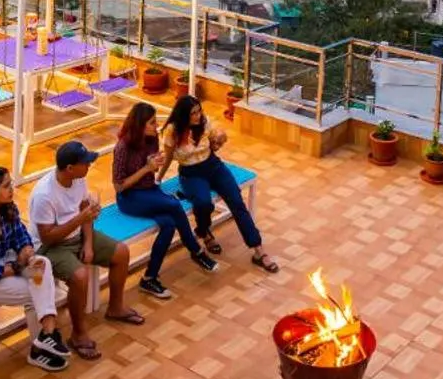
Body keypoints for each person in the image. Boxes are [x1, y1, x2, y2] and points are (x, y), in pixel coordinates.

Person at [29, 140, 145, 359]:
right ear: (70, 168)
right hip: (50, 246)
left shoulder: (78, 180)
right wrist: (79, 219)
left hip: (77, 235)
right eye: (85, 163)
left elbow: (86, 211)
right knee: (80, 276)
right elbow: (48, 236)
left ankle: (116, 307)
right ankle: (78, 333)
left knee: (121, 252)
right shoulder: (44, 195)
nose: (90, 165)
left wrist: (89, 243)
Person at [0, 165, 69, 371]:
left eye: (11, 184)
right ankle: (40, 348)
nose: (12, 189)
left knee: (43, 265)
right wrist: (16, 266)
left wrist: (25, 248)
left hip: (6, 259)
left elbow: (20, 233)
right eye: (6, 186)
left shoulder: (7, 208)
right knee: (37, 290)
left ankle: (47, 337)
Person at [110, 102, 218, 298]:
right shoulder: (122, 147)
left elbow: (153, 171)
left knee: (168, 225)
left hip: (149, 190)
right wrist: (146, 168)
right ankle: (195, 250)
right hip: (129, 197)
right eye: (151, 123)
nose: (156, 126)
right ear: (140, 125)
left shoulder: (151, 140)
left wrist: (154, 167)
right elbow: (118, 186)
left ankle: (149, 278)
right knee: (174, 205)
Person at [163, 95, 279, 273]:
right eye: (193, 113)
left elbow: (212, 144)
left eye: (199, 111)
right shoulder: (172, 131)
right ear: (183, 114)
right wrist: (158, 179)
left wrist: (217, 142)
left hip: (213, 166)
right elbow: (169, 156)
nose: (198, 115)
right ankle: (204, 231)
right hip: (191, 173)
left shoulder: (204, 122)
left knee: (237, 203)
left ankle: (259, 251)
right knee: (203, 204)